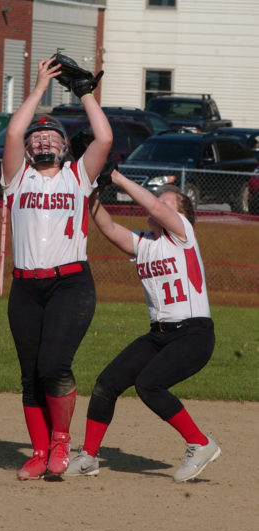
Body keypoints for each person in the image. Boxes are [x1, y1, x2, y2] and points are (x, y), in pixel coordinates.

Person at [66, 171, 221, 482]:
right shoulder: (146, 244)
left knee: (148, 384)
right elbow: (108, 227)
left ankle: (200, 443)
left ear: (181, 214)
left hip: (193, 334)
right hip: (159, 335)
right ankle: (89, 457)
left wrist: (115, 176)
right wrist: (90, 187)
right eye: (159, 198)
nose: (158, 204)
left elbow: (156, 208)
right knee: (106, 384)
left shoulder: (183, 234)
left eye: (167, 201)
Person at [1, 57, 113, 481]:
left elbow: (103, 136)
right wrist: (38, 86)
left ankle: (62, 442)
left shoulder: (76, 176)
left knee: (53, 365)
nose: (42, 141)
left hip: (70, 284)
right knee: (30, 373)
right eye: (37, 138)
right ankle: (39, 450)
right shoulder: (18, 179)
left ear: (65, 146)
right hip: (25, 288)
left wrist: (84, 93)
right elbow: (14, 130)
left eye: (51, 136)